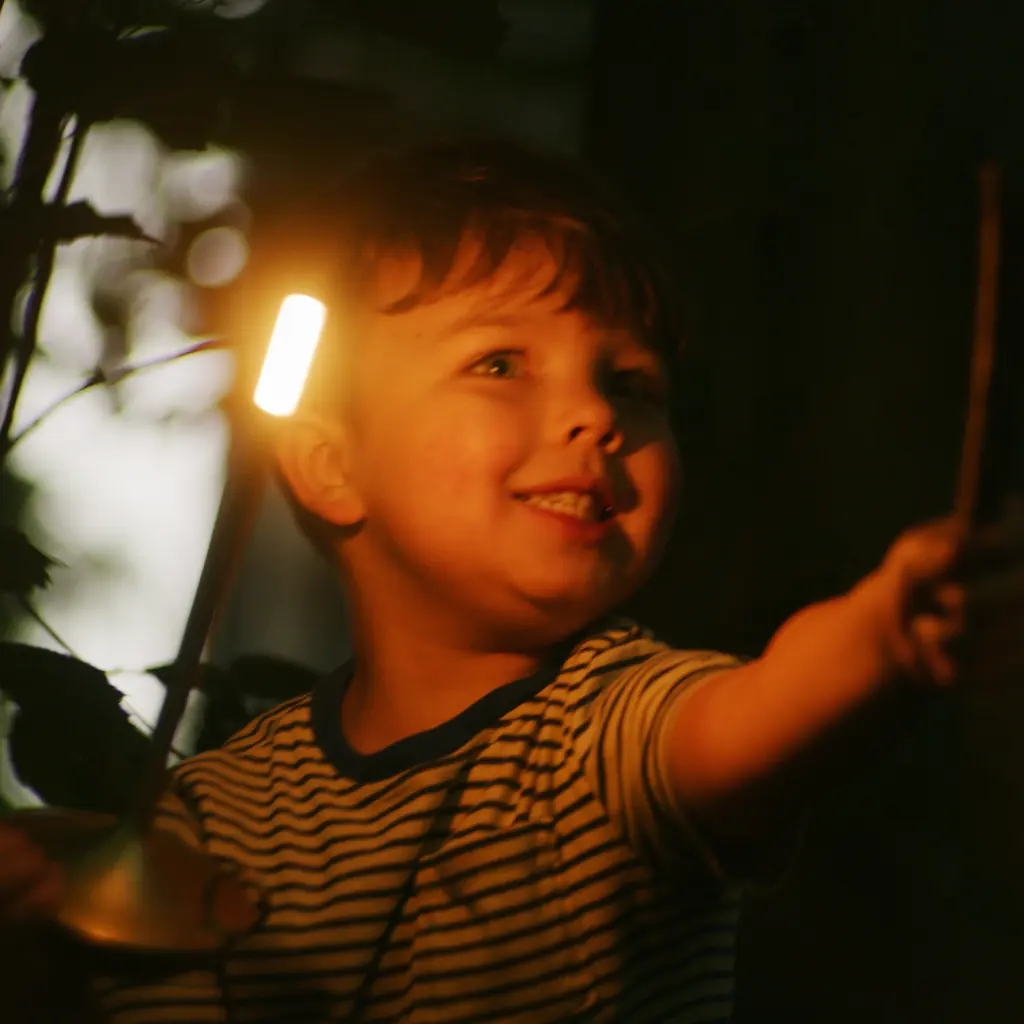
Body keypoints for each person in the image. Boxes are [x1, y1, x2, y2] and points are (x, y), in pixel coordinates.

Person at [0, 136, 1018, 1023]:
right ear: (330, 464)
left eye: (630, 383)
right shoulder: (215, 816)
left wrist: (887, 632)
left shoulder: (606, 731)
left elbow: (752, 716)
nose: (597, 416)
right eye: (499, 363)